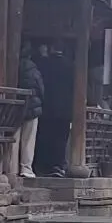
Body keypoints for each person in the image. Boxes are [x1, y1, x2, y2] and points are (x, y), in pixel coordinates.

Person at [37, 43, 73, 174]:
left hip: (47, 108)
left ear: (51, 48)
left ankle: (44, 165)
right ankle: (59, 164)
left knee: (45, 137)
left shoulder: (45, 64)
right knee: (61, 138)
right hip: (65, 109)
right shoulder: (71, 66)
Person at [16, 42, 44, 179]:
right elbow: (41, 89)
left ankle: (11, 167)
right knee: (28, 139)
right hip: (32, 107)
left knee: (14, 138)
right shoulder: (34, 69)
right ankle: (26, 168)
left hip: (14, 107)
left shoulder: (13, 66)